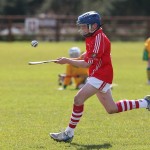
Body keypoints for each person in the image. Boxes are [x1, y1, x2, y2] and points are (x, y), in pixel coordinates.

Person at [50, 11, 150, 142]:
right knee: (111, 109)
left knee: (78, 99)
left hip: (101, 76)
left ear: (94, 26)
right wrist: (81, 55)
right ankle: (146, 102)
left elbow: (86, 64)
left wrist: (67, 60)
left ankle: (68, 133)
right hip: (97, 75)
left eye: (84, 26)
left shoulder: (99, 38)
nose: (82, 29)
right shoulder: (92, 36)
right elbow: (90, 53)